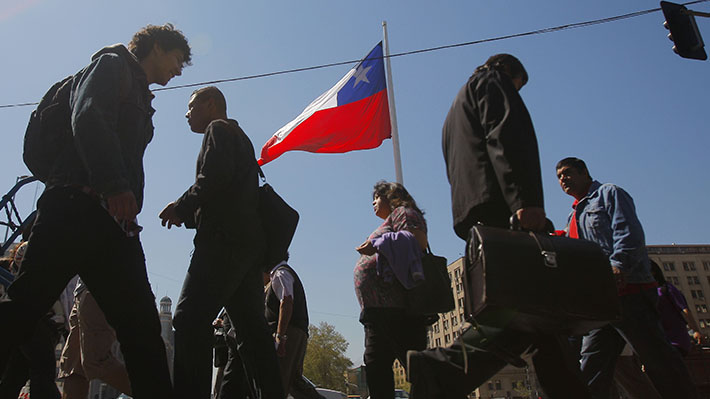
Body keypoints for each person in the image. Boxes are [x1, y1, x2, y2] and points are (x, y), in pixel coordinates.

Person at [0, 24, 191, 399]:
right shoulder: (110, 65)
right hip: (75, 208)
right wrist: (115, 185)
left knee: (140, 328)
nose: (179, 69)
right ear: (155, 47)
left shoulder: (138, 91)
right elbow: (88, 117)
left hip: (112, 223)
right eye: (177, 59)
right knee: (26, 307)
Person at [407, 54, 592, 399]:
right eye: (518, 86)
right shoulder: (492, 81)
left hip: (476, 217)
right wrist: (525, 202)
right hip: (504, 213)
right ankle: (440, 366)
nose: (516, 91)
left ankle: (441, 369)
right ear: (508, 71)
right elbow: (506, 134)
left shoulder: (454, 110)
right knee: (533, 313)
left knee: (537, 318)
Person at [159, 86, 283, 399]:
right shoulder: (239, 135)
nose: (187, 114)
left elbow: (214, 177)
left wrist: (182, 206)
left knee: (188, 320)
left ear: (211, 104)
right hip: (247, 247)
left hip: (222, 243)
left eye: (191, 107)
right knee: (252, 333)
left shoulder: (218, 129)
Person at [555, 156, 697, 399]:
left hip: (629, 292)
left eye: (567, 173)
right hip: (600, 302)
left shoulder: (609, 194)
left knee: (657, 357)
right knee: (591, 366)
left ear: (584, 172)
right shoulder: (573, 216)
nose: (562, 180)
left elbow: (627, 231)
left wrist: (619, 264)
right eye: (558, 177)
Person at [354, 181, 429, 399]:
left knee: (413, 367)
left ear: (389, 197)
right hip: (380, 309)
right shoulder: (392, 219)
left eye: (376, 197)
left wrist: (377, 243)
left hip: (396, 308)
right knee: (378, 364)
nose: (373, 203)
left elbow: (418, 241)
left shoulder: (404, 213)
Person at [58, 279, 132, 399]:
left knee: (97, 360)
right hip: (83, 289)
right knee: (74, 367)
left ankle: (158, 393)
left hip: (101, 284)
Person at [263, 255, 322, 399]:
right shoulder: (281, 274)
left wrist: (280, 336)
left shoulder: (280, 274)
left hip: (289, 333)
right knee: (295, 382)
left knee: (279, 380)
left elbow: (287, 302)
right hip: (294, 332)